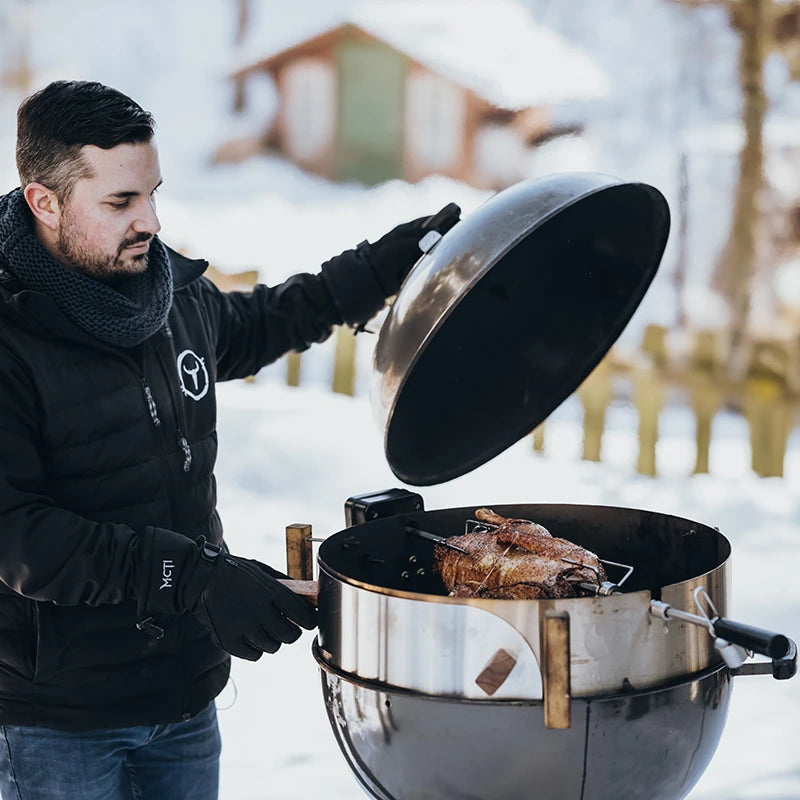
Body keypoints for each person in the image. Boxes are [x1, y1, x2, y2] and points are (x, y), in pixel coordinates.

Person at [0, 80, 460, 800]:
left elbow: (255, 326)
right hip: (59, 722)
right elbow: (19, 538)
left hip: (185, 692)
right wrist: (193, 577)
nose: (149, 221)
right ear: (44, 202)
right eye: (120, 203)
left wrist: (372, 270)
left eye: (153, 194)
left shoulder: (167, 293)